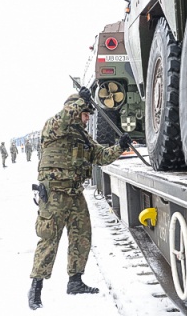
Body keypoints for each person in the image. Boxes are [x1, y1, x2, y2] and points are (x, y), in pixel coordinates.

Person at [28, 87, 131, 310]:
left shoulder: (83, 137)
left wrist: (120, 147)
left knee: (81, 236)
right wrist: (81, 100)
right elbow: (65, 116)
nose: (87, 119)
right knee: (49, 238)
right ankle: (36, 288)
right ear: (76, 110)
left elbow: (101, 156)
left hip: (74, 193)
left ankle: (75, 281)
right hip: (54, 193)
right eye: (85, 114)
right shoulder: (54, 126)